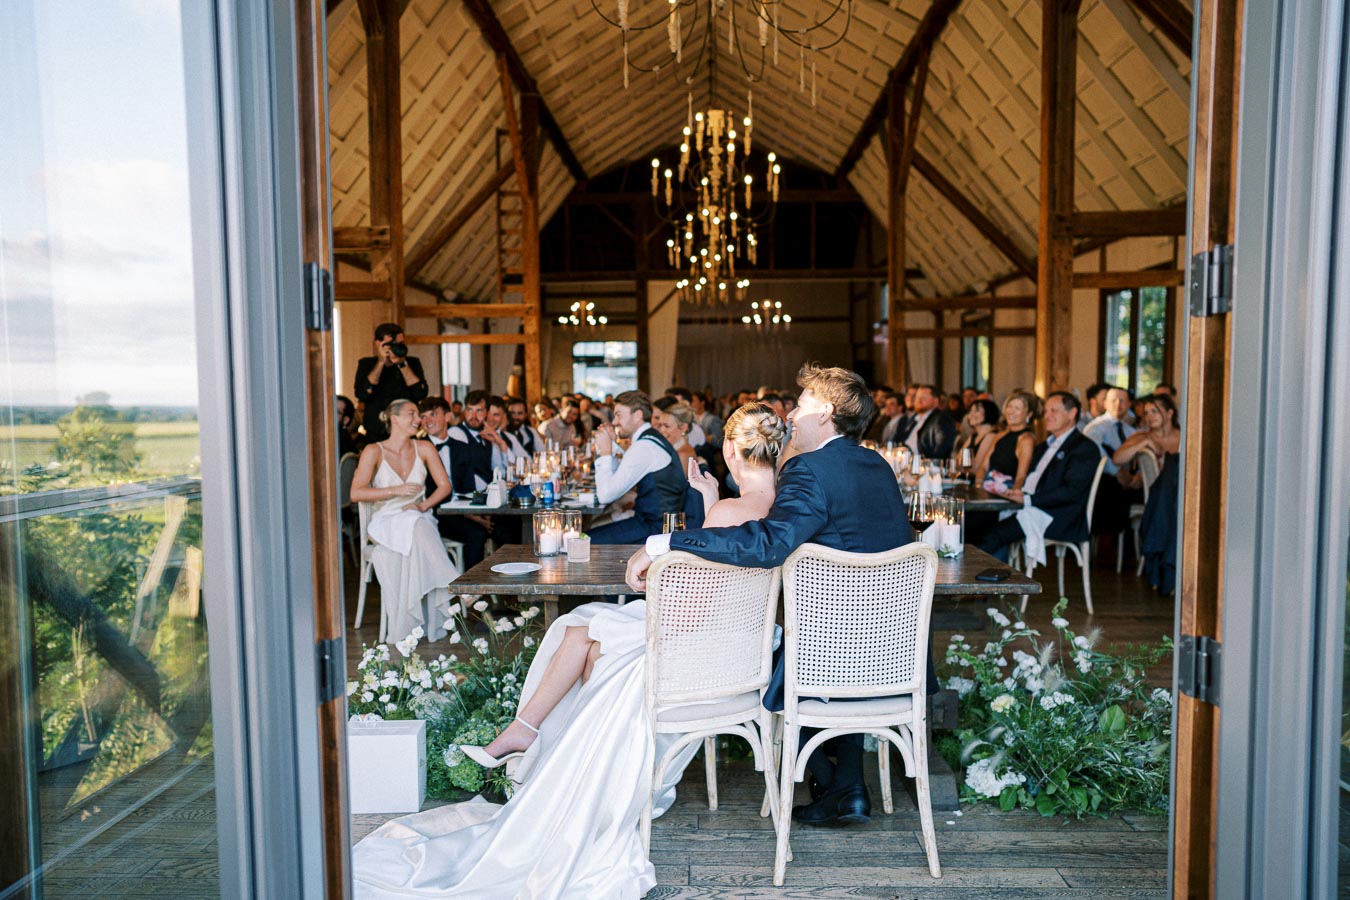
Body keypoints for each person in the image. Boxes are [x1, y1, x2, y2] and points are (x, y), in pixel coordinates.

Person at [352, 405, 785, 898]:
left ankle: (531, 739)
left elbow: (691, 604)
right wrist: (707, 502)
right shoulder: (783, 511)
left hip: (692, 654)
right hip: (738, 653)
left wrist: (667, 563)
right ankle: (524, 733)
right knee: (584, 630)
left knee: (584, 633)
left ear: (730, 449)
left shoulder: (731, 511)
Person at [625, 363, 919, 828]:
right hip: (892, 649)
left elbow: (767, 544)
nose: (793, 415)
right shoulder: (876, 465)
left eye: (801, 406)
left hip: (830, 654)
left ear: (824, 412)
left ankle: (842, 785)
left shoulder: (807, 469)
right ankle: (849, 788)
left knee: (762, 642)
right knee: (783, 630)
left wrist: (667, 542)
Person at [348, 399, 458, 644]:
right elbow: (356, 493)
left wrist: (422, 505)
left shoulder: (425, 448)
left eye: (418, 414)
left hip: (417, 514)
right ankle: (454, 581)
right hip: (385, 519)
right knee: (415, 523)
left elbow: (444, 487)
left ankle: (451, 581)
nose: (418, 420)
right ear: (394, 419)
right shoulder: (373, 451)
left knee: (416, 521)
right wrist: (396, 491)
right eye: (412, 414)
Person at [976, 392, 1103, 566]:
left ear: (1072, 413)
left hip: (1057, 516)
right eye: (1046, 411)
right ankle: (988, 583)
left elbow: (1071, 491)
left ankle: (975, 584)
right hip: (1031, 506)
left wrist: (1029, 499)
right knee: (982, 523)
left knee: (993, 533)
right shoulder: (1046, 444)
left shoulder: (1084, 448)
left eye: (1053, 411)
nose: (1047, 415)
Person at [588, 391, 687, 544]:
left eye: (619, 415)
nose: (614, 422)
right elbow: (624, 474)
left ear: (637, 415)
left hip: (655, 530)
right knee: (585, 536)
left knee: (583, 541)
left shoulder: (644, 447)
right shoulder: (650, 438)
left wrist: (606, 452)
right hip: (655, 524)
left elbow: (605, 495)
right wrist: (612, 446)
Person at [1114, 394, 1181, 595]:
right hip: (1157, 499)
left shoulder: (1185, 435)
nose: (1150, 416)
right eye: (1147, 413)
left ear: (1169, 413)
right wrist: (1143, 444)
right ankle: (1169, 572)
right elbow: (1118, 458)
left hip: (1179, 499)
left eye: (1155, 411)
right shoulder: (1142, 436)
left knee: (1175, 468)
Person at [443, 390, 496, 569]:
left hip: (482, 502)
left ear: (487, 413)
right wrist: (477, 513)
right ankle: (471, 587)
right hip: (460, 506)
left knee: (508, 527)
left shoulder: (487, 438)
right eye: (469, 410)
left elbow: (494, 473)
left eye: (479, 411)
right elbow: (461, 480)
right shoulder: (456, 434)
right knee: (478, 533)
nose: (473, 416)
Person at [353, 323, 429, 442]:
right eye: (390, 344)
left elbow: (421, 393)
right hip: (376, 432)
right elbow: (362, 393)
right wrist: (380, 362)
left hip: (406, 432)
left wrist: (402, 364)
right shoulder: (366, 364)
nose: (395, 347)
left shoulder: (412, 363)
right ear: (378, 344)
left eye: (400, 344)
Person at [1082, 387, 1139, 536]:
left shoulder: (1131, 431)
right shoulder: (1094, 428)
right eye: (1113, 400)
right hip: (1105, 481)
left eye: (1122, 400)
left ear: (1128, 405)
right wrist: (1118, 473)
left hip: (1130, 482)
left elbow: (1141, 456)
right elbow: (1096, 454)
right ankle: (1111, 541)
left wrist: (1137, 476)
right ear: (1105, 403)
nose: (1118, 404)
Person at [973, 389, 1040, 491]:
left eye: (1017, 408)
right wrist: (978, 485)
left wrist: (1011, 496)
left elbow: (1021, 478)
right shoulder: (1000, 435)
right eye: (1009, 406)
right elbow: (983, 467)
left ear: (1029, 414)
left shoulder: (1026, 440)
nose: (1010, 411)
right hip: (985, 490)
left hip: (1005, 495)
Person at [902, 384, 958, 459]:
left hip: (923, 463)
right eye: (917, 397)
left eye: (923, 398)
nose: (919, 400)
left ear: (935, 401)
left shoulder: (941, 418)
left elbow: (942, 450)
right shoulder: (915, 418)